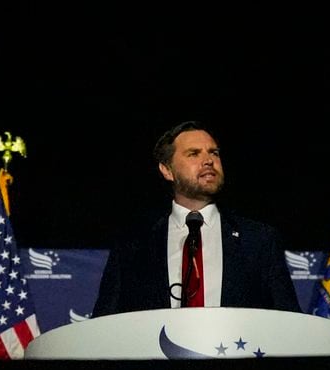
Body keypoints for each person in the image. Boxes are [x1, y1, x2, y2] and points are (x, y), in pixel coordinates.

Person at [92, 120, 301, 317]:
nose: (209, 160)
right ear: (167, 170)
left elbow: (287, 321)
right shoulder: (133, 244)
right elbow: (105, 323)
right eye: (194, 154)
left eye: (214, 153)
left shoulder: (259, 240)